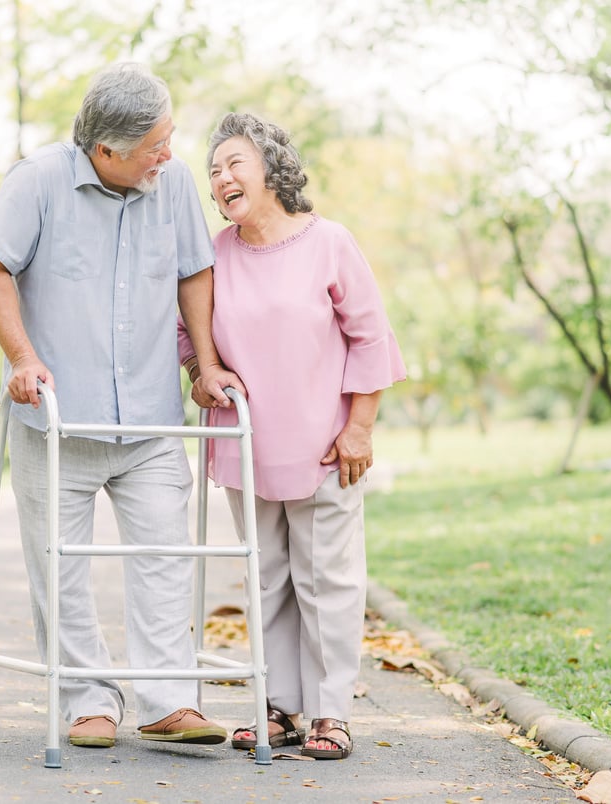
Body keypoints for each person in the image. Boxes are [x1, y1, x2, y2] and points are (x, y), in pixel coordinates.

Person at [0, 63, 239, 750]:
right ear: (106, 152)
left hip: (149, 417)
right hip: (59, 419)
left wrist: (205, 365)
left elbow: (195, 271)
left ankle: (169, 702)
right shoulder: (36, 181)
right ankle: (87, 700)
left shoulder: (172, 184)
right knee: (59, 566)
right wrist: (22, 357)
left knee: (165, 554)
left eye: (170, 136)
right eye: (157, 143)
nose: (171, 155)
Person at [179, 111, 406, 760]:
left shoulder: (329, 241)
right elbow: (187, 335)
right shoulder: (213, 254)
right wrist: (202, 370)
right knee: (266, 579)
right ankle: (278, 707)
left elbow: (371, 338)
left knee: (326, 580)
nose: (221, 179)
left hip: (326, 447)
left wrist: (361, 427)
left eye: (233, 164)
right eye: (214, 171)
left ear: (272, 169)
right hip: (245, 446)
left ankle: (331, 713)